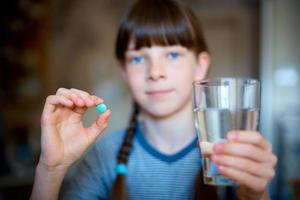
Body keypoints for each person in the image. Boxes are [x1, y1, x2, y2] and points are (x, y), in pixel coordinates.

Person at [30, 0, 277, 199]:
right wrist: (51, 170)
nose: (155, 71)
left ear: (200, 66)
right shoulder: (105, 156)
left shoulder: (230, 153)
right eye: (138, 58)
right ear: (124, 71)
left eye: (172, 54)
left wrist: (255, 195)